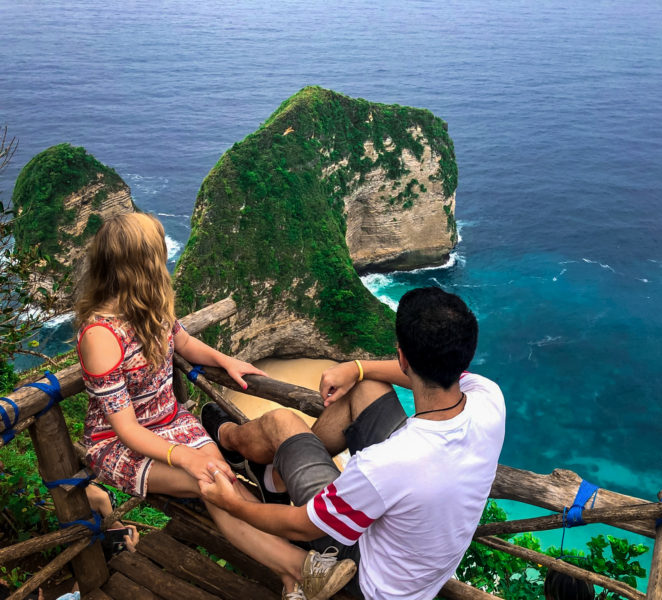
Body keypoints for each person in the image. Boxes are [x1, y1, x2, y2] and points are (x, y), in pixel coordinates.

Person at [75, 213, 355, 600]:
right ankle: (299, 568)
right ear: (143, 264)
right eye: (159, 252)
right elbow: (125, 429)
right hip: (121, 443)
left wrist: (226, 360)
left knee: (227, 482)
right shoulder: (100, 336)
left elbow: (184, 343)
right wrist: (184, 458)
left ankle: (294, 573)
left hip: (172, 420)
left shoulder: (151, 307)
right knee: (211, 483)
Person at [199, 286, 506, 600]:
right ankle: (281, 471)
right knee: (367, 384)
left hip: (368, 580)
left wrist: (233, 504)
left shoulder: (386, 464)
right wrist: (359, 368)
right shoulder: (489, 398)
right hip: (418, 573)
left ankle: (245, 452)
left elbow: (302, 528)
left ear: (401, 356)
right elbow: (416, 375)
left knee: (282, 423)